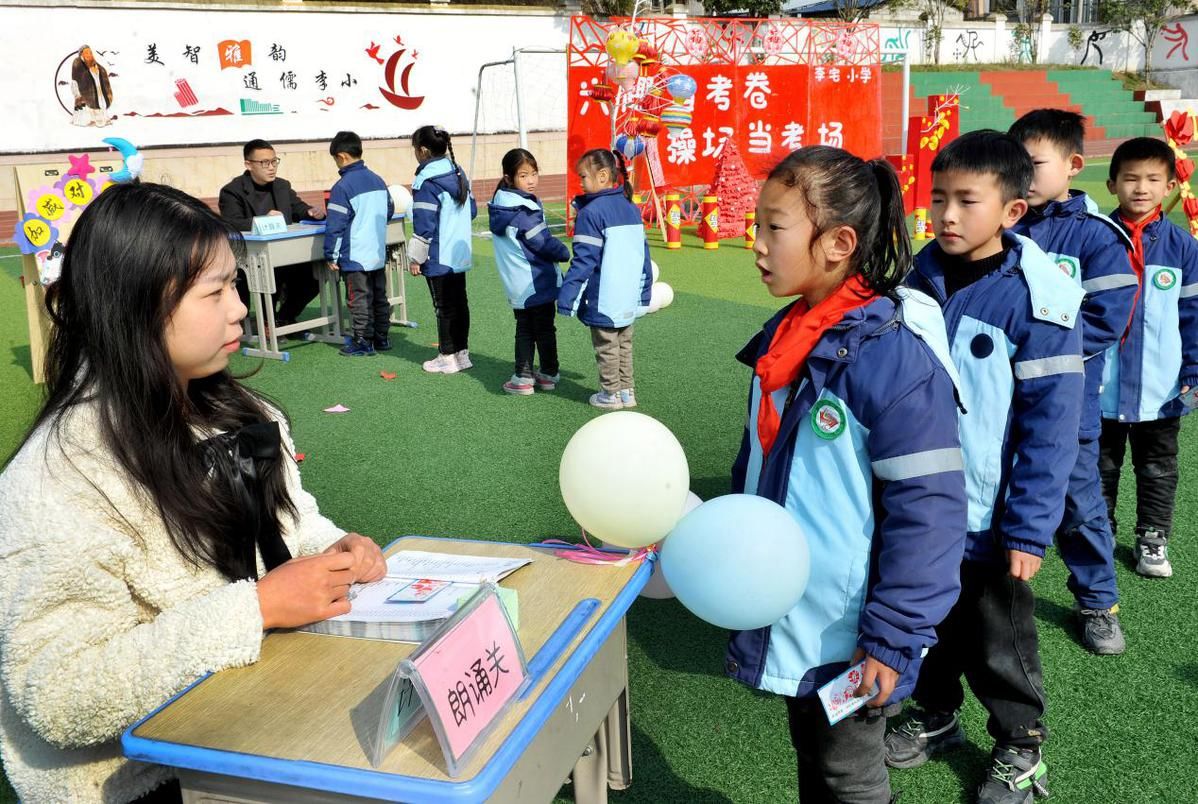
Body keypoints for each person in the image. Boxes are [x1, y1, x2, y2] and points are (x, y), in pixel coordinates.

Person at [0, 182, 386, 803]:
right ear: (132, 308)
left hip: (253, 726)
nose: (239, 309)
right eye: (215, 292)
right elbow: (57, 694)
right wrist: (254, 610)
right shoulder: (57, 478)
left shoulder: (240, 410)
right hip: (136, 781)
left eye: (234, 284)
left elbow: (294, 525)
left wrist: (336, 547)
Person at [725, 146, 968, 804]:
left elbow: (931, 515)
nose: (757, 244)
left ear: (838, 243)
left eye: (774, 228)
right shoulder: (790, 334)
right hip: (798, 611)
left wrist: (889, 641)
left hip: (854, 631)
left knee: (848, 772)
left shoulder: (891, 358)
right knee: (815, 752)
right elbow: (759, 466)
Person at [885, 131, 1085, 804]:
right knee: (928, 624)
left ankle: (1020, 746)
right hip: (921, 505)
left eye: (966, 201)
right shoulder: (920, 277)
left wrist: (1029, 530)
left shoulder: (1038, 301)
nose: (945, 214)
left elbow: (1050, 430)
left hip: (990, 518)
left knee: (998, 639)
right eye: (938, 197)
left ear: (1011, 212)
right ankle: (936, 715)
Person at [1008, 109, 1137, 655]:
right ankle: (991, 591)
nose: (1025, 176)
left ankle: (1097, 602)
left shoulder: (1095, 237)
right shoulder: (1001, 226)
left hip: (1067, 409)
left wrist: (1040, 353)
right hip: (999, 402)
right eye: (1017, 165)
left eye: (1035, 165)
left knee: (1079, 509)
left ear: (1072, 165)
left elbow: (1109, 316)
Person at [1100, 137, 1198, 579]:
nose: (1141, 188)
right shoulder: (1096, 238)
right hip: (1100, 385)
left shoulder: (1183, 248)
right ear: (1112, 184)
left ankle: (1152, 538)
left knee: (1157, 466)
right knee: (1099, 464)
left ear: (1170, 185)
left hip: (1161, 387)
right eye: (1131, 178)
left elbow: (1193, 315)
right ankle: (1096, 532)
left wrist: (1194, 369)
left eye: (1154, 179)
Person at [558, 149, 652, 409]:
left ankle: (610, 394)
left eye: (583, 177)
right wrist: (644, 294)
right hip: (628, 297)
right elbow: (644, 255)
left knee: (607, 347)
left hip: (605, 296)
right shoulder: (630, 208)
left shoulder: (591, 213)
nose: (580, 182)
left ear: (602, 176)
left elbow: (583, 260)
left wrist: (567, 297)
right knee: (624, 345)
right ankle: (626, 392)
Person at [488, 148, 570, 395]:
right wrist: (564, 253)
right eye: (524, 175)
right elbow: (543, 243)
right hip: (537, 279)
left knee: (526, 326)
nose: (531, 180)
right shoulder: (523, 212)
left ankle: (526, 376)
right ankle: (542, 374)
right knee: (542, 328)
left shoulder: (501, 204)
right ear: (508, 177)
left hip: (517, 282)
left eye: (534, 173)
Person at [218, 139, 324, 327]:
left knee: (315, 274)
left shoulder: (282, 185)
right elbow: (230, 223)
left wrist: (311, 212)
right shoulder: (232, 191)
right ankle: (266, 322)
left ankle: (282, 317)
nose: (271, 167)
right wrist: (262, 221)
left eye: (274, 161)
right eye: (264, 163)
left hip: (285, 254)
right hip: (251, 258)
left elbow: (297, 207)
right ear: (248, 164)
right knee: (271, 273)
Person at [408, 125, 477, 374]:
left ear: (423, 151)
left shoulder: (426, 181)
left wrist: (416, 258)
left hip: (438, 254)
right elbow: (472, 211)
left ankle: (446, 356)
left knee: (444, 306)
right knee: (460, 303)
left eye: (415, 149)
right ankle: (462, 353)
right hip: (459, 252)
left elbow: (424, 223)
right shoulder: (457, 172)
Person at [324, 130, 394, 357]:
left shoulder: (342, 187)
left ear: (342, 156)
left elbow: (335, 225)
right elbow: (389, 209)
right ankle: (381, 338)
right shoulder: (378, 179)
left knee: (358, 300)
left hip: (354, 256)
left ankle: (363, 341)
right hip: (376, 252)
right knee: (379, 297)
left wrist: (331, 255)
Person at [70, 45, 113, 127]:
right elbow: (77, 78)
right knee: (84, 109)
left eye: (90, 52)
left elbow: (102, 71)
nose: (89, 54)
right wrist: (89, 71)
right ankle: (85, 120)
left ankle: (100, 119)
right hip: (83, 93)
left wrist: (98, 71)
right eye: (86, 52)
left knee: (99, 104)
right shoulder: (77, 63)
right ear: (82, 55)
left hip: (97, 91)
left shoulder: (95, 64)